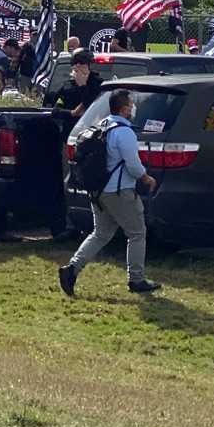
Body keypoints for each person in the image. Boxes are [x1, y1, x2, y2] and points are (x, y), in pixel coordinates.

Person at [58, 89, 160, 297]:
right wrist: (146, 177)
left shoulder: (101, 125)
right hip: (120, 191)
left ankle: (72, 269)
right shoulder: (124, 132)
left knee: (100, 233)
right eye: (131, 106)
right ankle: (137, 279)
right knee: (137, 233)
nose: (133, 109)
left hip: (98, 190)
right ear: (123, 109)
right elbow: (133, 165)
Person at [43, 49, 102, 116]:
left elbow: (93, 106)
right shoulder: (68, 85)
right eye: (76, 67)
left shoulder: (98, 84)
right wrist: (72, 113)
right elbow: (56, 110)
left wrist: (82, 86)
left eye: (82, 65)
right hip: (70, 124)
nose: (78, 69)